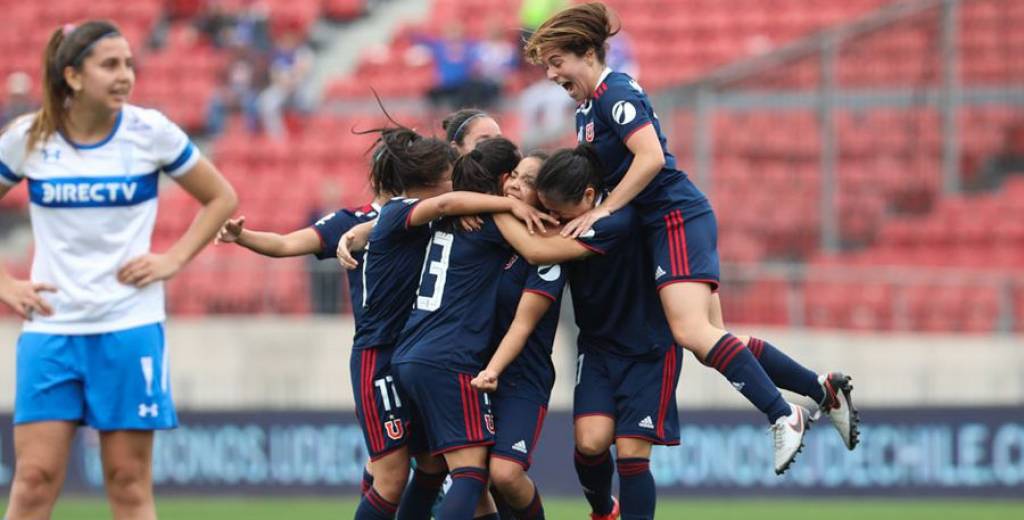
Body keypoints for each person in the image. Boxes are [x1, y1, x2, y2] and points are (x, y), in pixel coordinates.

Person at [524, 1, 858, 480]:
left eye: (557, 61)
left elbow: (651, 157)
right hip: (665, 223)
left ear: (584, 51)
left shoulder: (615, 91)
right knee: (713, 341)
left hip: (674, 218)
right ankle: (821, 389)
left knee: (688, 332)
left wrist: (605, 208)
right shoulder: (586, 111)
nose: (552, 73)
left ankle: (784, 413)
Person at [0, 21, 238, 520]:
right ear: (73, 75)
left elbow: (221, 198)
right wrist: (6, 285)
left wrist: (172, 260)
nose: (125, 75)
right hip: (52, 330)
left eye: (129, 63)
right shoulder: (28, 138)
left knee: (128, 484)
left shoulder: (149, 132)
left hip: (129, 327)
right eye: (110, 65)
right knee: (34, 480)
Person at [343, 129, 553, 520]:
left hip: (409, 352)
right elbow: (536, 249)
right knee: (459, 474)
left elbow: (445, 205)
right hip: (425, 357)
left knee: (431, 468)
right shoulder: (473, 219)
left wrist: (356, 233)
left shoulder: (432, 220)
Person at [471, 151, 559, 520]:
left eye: (528, 182)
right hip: (474, 372)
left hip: (520, 378)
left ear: (544, 198)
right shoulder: (485, 232)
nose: (515, 186)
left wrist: (493, 370)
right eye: (514, 177)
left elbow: (522, 326)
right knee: (472, 479)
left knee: (504, 474)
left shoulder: (548, 252)